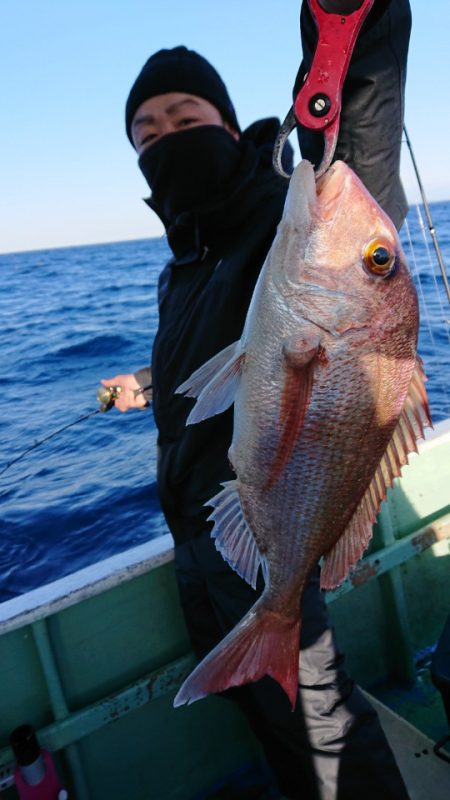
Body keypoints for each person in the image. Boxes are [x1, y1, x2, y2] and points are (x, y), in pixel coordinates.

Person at [102, 1, 412, 797]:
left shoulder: (274, 219)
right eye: (147, 131)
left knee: (323, 730)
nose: (166, 137)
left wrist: (356, 20)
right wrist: (145, 386)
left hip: (270, 530)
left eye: (185, 115)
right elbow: (223, 363)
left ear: (231, 127)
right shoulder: (186, 261)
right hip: (199, 542)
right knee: (266, 718)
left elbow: (357, 136)